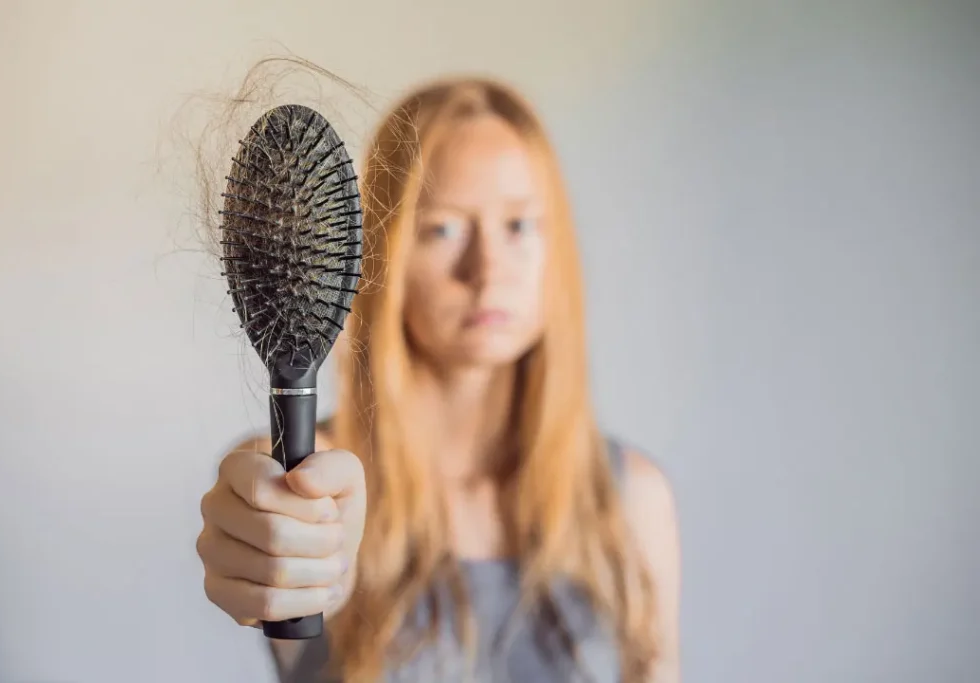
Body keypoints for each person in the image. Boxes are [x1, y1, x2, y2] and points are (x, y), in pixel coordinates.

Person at [196, 74, 681, 683]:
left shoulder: (632, 498)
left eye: (520, 225)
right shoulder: (302, 474)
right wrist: (283, 554)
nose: (487, 269)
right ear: (375, 256)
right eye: (443, 228)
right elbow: (283, 554)